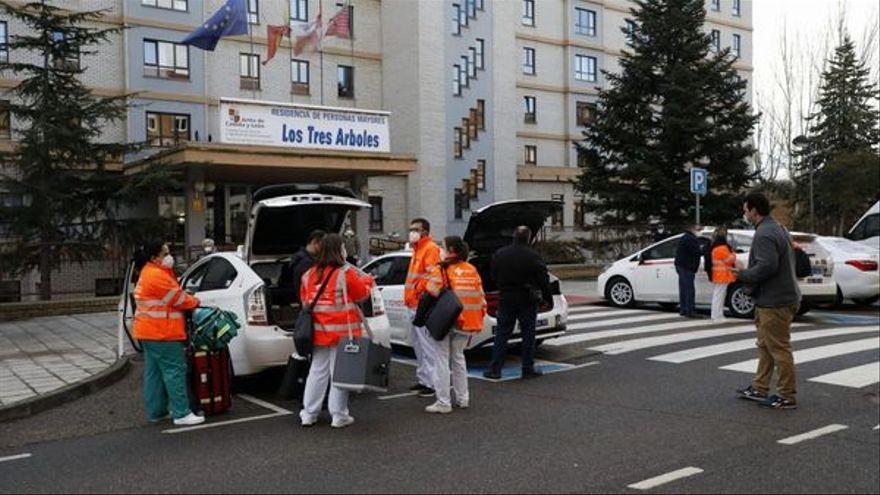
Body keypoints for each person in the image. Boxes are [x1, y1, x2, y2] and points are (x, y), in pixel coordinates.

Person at [298, 234, 374, 428]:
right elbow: (362, 295)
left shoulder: (308, 275)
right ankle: (339, 415)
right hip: (343, 333)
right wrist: (368, 282)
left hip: (318, 332)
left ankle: (309, 413)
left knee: (317, 372)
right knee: (340, 373)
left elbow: (305, 302)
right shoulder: (345, 273)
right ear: (339, 250)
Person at [735, 191, 802, 410]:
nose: (744, 213)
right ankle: (759, 387)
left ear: (754, 210)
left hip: (775, 301)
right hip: (780, 297)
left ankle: (787, 395)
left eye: (745, 209)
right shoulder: (779, 228)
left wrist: (742, 274)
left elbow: (767, 266)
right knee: (766, 346)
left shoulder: (764, 233)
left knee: (779, 349)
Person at [132, 240, 204, 426]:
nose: (169, 256)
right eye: (165, 254)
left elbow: (169, 296)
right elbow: (179, 300)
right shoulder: (157, 275)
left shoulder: (148, 273)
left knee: (154, 373)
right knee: (175, 370)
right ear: (154, 257)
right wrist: (194, 301)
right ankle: (181, 413)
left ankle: (157, 412)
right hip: (163, 332)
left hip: (147, 331)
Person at [423, 236, 486, 414]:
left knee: (441, 359)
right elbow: (481, 299)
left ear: (450, 250)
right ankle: (462, 398)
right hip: (467, 321)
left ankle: (443, 402)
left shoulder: (441, 269)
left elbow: (431, 292)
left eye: (442, 247)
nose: (440, 251)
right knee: (458, 358)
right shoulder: (472, 269)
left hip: (447, 321)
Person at [483, 226, 549, 380]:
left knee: (502, 334)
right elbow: (543, 280)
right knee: (528, 335)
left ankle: (495, 369)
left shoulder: (500, 254)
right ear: (528, 238)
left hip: (506, 298)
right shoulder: (533, 256)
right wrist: (546, 298)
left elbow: (493, 276)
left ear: (514, 237)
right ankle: (527, 368)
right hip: (527, 299)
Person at [404, 218, 442, 398]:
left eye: (415, 229)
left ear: (425, 232)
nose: (411, 232)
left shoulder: (430, 249)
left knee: (427, 346)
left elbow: (432, 276)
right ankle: (424, 380)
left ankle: (432, 383)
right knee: (418, 345)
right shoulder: (417, 250)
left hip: (421, 305)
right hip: (413, 304)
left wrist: (418, 291)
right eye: (411, 229)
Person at [280, 229, 325, 303]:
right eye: (323, 245)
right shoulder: (306, 263)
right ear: (315, 242)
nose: (324, 248)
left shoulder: (298, 258)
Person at [708, 227, 741, 322]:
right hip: (722, 274)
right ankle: (716, 316)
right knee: (719, 296)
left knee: (719, 295)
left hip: (719, 274)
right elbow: (729, 260)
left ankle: (717, 315)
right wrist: (734, 254)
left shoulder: (715, 247)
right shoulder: (722, 248)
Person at [674, 224, 703, 317]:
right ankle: (689, 310)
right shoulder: (690, 239)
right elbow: (697, 251)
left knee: (684, 288)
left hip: (682, 266)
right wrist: (706, 249)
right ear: (692, 229)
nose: (699, 231)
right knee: (689, 289)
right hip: (686, 267)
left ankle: (684, 309)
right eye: (698, 229)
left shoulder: (686, 237)